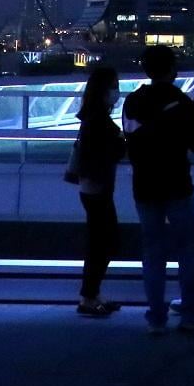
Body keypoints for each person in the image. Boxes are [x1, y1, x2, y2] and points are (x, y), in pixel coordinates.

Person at [123, 45, 194, 334]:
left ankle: (156, 317)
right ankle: (192, 313)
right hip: (177, 183)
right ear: (172, 70)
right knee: (188, 249)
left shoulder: (133, 101)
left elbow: (131, 139)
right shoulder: (182, 103)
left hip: (144, 184)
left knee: (152, 250)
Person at [70, 63, 125, 318]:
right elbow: (107, 152)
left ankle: (92, 294)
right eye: (114, 86)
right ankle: (89, 296)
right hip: (98, 187)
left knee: (100, 242)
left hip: (92, 186)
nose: (117, 92)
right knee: (104, 243)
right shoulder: (98, 121)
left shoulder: (92, 117)